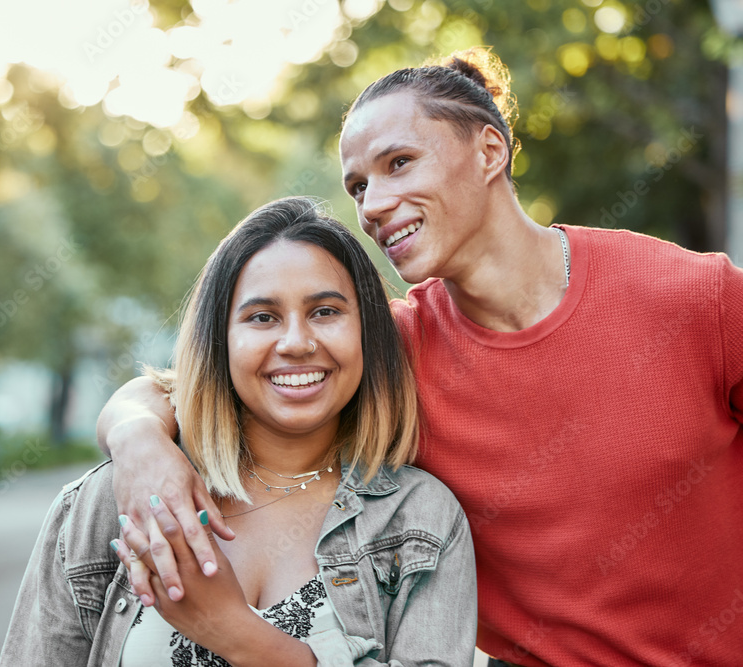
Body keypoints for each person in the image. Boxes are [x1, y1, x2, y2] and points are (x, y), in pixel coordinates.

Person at [97, 47, 743, 667]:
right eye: (357, 185)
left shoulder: (695, 297)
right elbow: (187, 384)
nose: (372, 207)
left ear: (490, 150)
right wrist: (137, 440)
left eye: (398, 163)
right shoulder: (389, 351)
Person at [1, 197, 478, 666]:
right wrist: (136, 433)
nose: (295, 343)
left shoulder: (421, 522)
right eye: (262, 317)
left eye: (325, 311)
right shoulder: (113, 500)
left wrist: (235, 633)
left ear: (367, 333)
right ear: (221, 341)